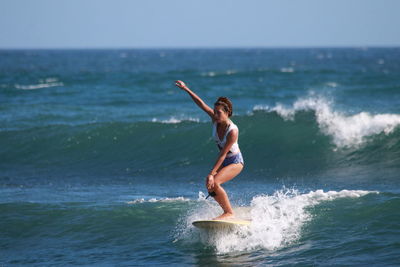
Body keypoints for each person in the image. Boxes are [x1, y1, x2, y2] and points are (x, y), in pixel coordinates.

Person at [175, 80, 244, 220]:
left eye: (219, 113)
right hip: (224, 160)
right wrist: (186, 89)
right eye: (215, 112)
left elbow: (223, 154)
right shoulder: (215, 119)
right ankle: (225, 209)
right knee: (210, 185)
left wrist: (212, 173)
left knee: (215, 182)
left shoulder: (232, 131)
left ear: (227, 113)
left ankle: (228, 212)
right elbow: (200, 103)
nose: (216, 115)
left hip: (235, 161)